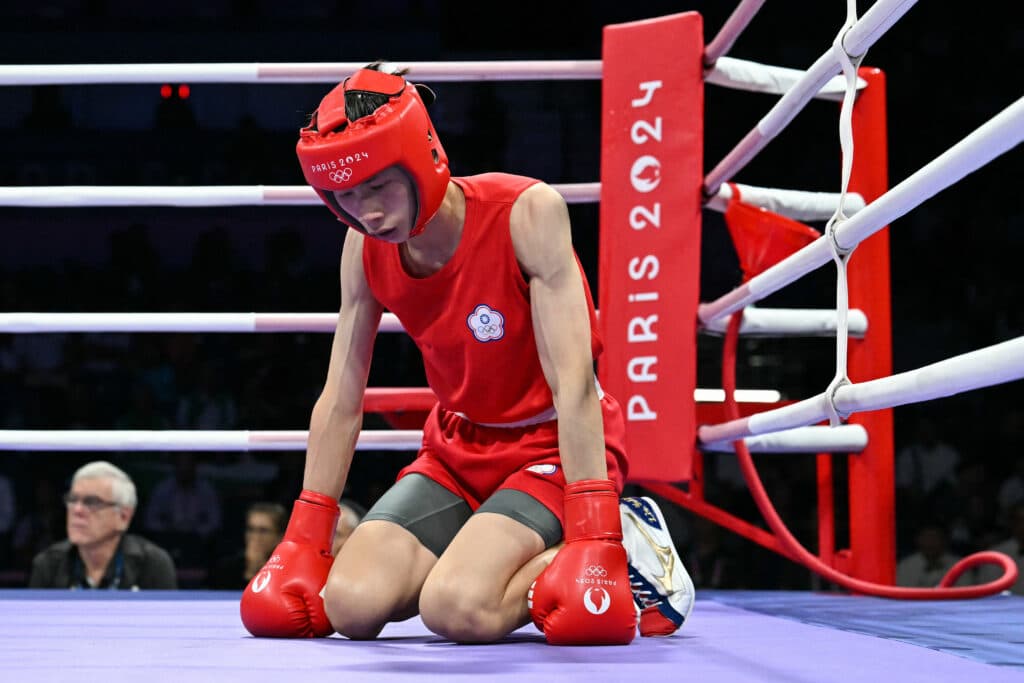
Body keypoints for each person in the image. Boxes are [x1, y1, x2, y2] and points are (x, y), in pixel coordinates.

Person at [240, 62, 693, 645]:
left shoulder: (526, 214)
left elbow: (575, 384)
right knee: (349, 606)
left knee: (458, 610)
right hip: (456, 451)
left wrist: (593, 532)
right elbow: (341, 396)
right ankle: (485, 549)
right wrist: (306, 534)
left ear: (420, 159)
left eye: (378, 187)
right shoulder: (363, 247)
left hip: (552, 446)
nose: (367, 211)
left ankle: (629, 544)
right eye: (347, 196)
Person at [29, 461, 177, 590]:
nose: (77, 510)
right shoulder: (48, 565)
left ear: (123, 517)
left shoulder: (152, 564)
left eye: (92, 502)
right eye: (73, 500)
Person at [208, 502, 287, 590]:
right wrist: (250, 571)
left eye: (263, 531)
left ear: (280, 536)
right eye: (251, 529)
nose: (255, 536)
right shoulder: (227, 568)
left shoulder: (288, 569)